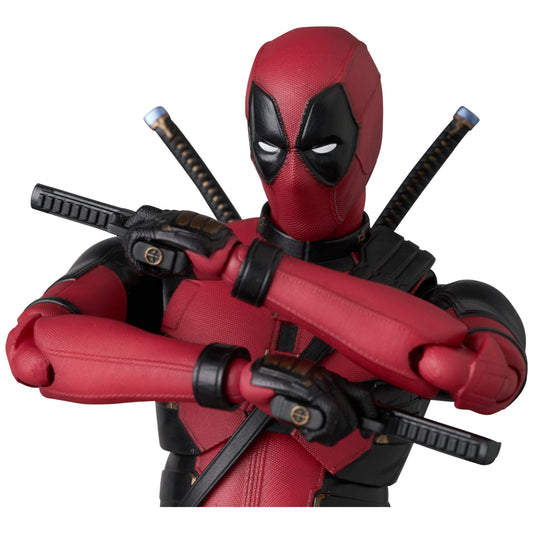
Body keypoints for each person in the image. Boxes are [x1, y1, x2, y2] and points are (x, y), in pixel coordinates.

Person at [5, 27, 527, 507]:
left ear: (366, 138)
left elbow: (478, 375)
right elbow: (34, 351)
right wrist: (238, 380)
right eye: (271, 146)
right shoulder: (172, 261)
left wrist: (241, 266)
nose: (294, 175)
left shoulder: (425, 293)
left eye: (323, 147)